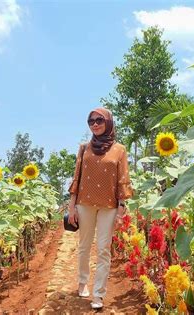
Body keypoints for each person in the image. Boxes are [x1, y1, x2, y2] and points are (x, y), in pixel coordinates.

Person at [68, 107, 133, 310]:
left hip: (109, 207)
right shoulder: (83, 148)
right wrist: (72, 208)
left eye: (99, 120)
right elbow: (76, 178)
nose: (95, 124)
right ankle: (82, 282)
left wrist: (121, 208)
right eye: (91, 121)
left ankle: (98, 294)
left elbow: (123, 180)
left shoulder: (119, 150)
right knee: (84, 246)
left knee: (104, 249)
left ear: (109, 123)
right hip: (84, 204)